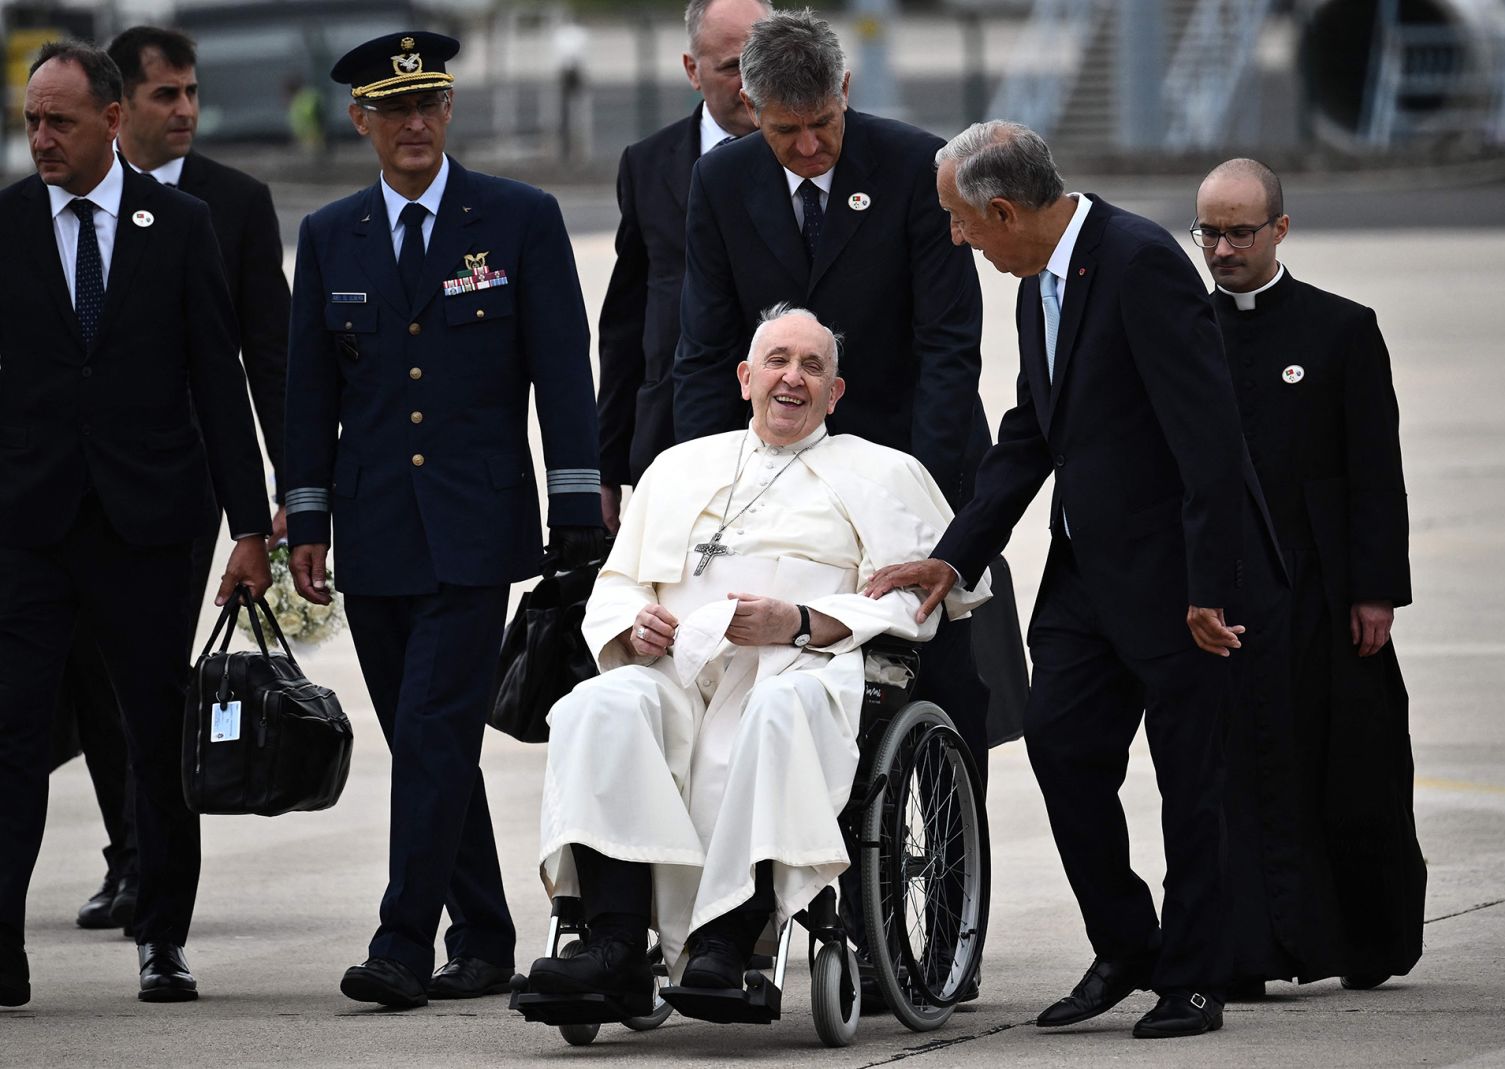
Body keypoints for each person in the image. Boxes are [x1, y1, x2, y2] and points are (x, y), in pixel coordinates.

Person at [865, 121, 1284, 1040]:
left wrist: (1211, 585)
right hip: (1086, 578)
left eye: (961, 221)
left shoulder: (1138, 262)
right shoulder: (1038, 286)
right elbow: (1033, 432)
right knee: (1060, 747)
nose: (957, 238)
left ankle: (1194, 975)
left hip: (1179, 581)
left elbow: (1209, 437)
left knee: (1190, 780)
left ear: (1004, 210)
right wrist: (955, 551)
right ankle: (1128, 942)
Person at [524, 305, 988, 1011]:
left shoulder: (883, 472)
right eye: (776, 361)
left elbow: (915, 602)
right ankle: (612, 942)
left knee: (772, 712)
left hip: (797, 670)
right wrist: (632, 626)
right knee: (597, 703)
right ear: (745, 378)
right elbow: (615, 585)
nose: (791, 378)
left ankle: (729, 939)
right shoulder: (677, 468)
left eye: (811, 366)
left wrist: (798, 620)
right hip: (679, 668)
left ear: (836, 393)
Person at [283, 31, 604, 1009]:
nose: (414, 124)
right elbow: (308, 390)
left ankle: (399, 942)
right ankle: (484, 936)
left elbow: (562, 370)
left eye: (429, 104)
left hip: (475, 528)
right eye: (394, 109)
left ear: (449, 110)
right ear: (361, 121)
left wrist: (575, 507)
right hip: (373, 529)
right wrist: (306, 516)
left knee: (430, 732)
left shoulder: (516, 219)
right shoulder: (331, 234)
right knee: (432, 743)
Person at [674, 6, 1017, 788]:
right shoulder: (720, 180)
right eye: (785, 130)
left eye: (823, 124)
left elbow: (948, 350)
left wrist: (917, 504)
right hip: (782, 476)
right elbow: (703, 352)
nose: (806, 147)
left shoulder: (915, 168)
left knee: (945, 694)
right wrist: (700, 486)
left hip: (916, 452)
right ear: (751, 110)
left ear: (847, 89)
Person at [0, 41, 272, 1006]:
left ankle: (163, 935)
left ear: (111, 121)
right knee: (13, 730)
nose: (40, 139)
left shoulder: (181, 224)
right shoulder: (9, 224)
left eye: (58, 121)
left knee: (156, 737)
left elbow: (218, 377)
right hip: (28, 527)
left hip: (151, 523)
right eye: (31, 120)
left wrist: (252, 525)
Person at [60, 25, 295, 935]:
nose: (188, 109)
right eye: (167, 94)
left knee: (147, 679)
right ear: (120, 109)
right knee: (85, 680)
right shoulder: (45, 210)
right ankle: (129, 850)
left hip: (180, 483)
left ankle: (153, 874)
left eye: (192, 91)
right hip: (62, 491)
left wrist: (287, 489)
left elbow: (262, 358)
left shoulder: (232, 204)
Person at [1193, 158, 1425, 996]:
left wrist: (1376, 590)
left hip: (1323, 593)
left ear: (1280, 230)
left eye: (1238, 232)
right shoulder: (1185, 330)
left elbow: (1376, 470)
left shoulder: (1342, 331)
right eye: (1208, 232)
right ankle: (1247, 951)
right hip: (1224, 597)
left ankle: (1365, 941)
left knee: (1350, 767)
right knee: (1234, 779)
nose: (1221, 249)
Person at [596, 0, 771, 532]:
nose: (749, 83)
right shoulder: (648, 164)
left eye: (761, 61)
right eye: (729, 67)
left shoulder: (813, 152)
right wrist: (604, 465)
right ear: (692, 71)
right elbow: (627, 321)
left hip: (790, 427)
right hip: (674, 433)